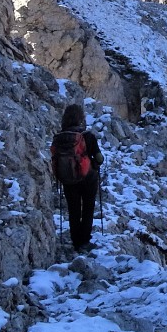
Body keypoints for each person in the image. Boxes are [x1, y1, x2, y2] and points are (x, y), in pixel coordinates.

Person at [53, 104, 103, 252]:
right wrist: (94, 163)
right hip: (88, 178)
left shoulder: (59, 138)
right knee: (88, 208)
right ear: (81, 118)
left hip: (68, 178)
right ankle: (85, 241)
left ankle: (76, 241)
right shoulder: (87, 136)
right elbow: (99, 158)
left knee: (73, 209)